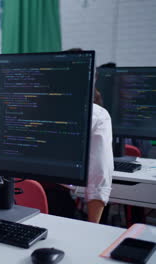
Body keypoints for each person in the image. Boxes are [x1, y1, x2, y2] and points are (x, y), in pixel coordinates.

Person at [42, 49, 114, 223]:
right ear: (92, 79)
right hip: (55, 209)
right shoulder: (96, 115)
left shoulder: (25, 105)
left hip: (13, 202)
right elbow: (99, 177)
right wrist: (92, 228)